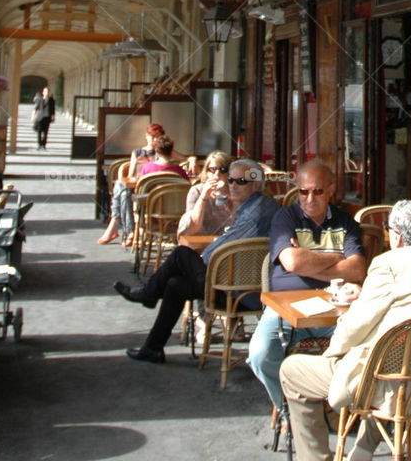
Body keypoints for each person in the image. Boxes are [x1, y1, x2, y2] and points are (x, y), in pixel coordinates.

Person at [277, 198, 411, 461]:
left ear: (398, 236)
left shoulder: (389, 264)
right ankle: (362, 456)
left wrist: (332, 352)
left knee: (293, 370)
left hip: (385, 377)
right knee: (391, 368)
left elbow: (356, 326)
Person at [113, 159, 278, 363]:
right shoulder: (261, 204)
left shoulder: (255, 212)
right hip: (243, 285)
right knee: (175, 285)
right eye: (231, 180)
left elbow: (211, 255)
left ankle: (148, 293)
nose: (233, 185)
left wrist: (205, 253)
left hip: (240, 292)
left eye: (241, 181)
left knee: (182, 254)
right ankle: (152, 347)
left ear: (255, 184)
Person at [247, 160, 366, 415]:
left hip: (336, 312)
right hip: (286, 310)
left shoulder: (346, 222)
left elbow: (357, 269)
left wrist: (307, 260)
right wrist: (336, 258)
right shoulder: (285, 217)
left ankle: (332, 408)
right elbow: (291, 262)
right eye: (304, 191)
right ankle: (292, 411)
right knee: (260, 354)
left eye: (318, 191)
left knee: (363, 351)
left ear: (331, 189)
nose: (309, 198)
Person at [98, 122, 168, 246]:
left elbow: (181, 158)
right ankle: (129, 231)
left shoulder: (163, 153)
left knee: (121, 188)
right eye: (153, 136)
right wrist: (138, 171)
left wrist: (192, 158)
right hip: (136, 187)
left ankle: (117, 224)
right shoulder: (137, 152)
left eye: (158, 136)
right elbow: (130, 176)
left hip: (153, 190)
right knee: (124, 191)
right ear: (147, 136)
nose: (155, 139)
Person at [177, 151, 233, 239]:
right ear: (206, 172)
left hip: (227, 242)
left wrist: (227, 196)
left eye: (223, 170)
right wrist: (203, 196)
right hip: (201, 240)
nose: (217, 175)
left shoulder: (235, 191)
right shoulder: (196, 191)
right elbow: (192, 228)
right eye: (212, 169)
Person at [31, 85, 55, 149]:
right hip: (40, 117)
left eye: (48, 92)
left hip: (47, 118)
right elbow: (36, 108)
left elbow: (53, 109)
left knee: (45, 132)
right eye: (45, 91)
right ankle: (39, 144)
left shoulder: (51, 100)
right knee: (39, 131)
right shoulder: (40, 99)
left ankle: (43, 145)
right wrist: (33, 116)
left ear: (49, 93)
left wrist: (53, 116)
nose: (47, 93)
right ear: (43, 92)